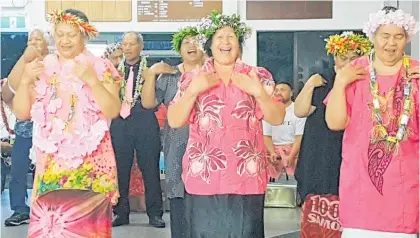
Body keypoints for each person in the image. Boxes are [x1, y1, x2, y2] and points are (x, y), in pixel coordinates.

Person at [167, 11, 285, 238]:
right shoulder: (193, 78)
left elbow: (277, 117)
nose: (225, 42)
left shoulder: (257, 75)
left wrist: (258, 92)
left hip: (247, 177)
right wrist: (193, 91)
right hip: (204, 177)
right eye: (219, 37)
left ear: (239, 44)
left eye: (231, 36)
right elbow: (174, 120)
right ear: (209, 45)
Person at [12, 9, 121, 237]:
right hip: (52, 165)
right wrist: (24, 81)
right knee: (53, 227)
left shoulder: (102, 68)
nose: (64, 40)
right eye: (59, 34)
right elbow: (22, 112)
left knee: (88, 230)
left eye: (71, 34)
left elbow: (113, 109)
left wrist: (92, 80)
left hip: (92, 164)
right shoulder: (43, 68)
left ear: (85, 34)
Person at [325, 6, 419, 237]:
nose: (391, 43)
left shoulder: (416, 72)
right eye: (384, 36)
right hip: (360, 189)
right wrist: (339, 83)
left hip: (404, 188)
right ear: (373, 37)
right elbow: (335, 123)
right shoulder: (355, 71)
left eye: (398, 36)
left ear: (406, 39)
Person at [294, 31, 371, 237]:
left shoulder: (368, 82)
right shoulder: (323, 81)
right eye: (342, 57)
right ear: (333, 56)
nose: (348, 63)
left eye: (353, 58)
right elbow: (300, 111)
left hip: (352, 153)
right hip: (320, 153)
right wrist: (310, 84)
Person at [142, 26, 204, 238]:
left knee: (206, 196)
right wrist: (151, 74)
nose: (191, 45)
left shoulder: (213, 74)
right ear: (179, 49)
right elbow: (149, 103)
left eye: (195, 41)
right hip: (177, 143)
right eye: (186, 42)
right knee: (178, 192)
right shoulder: (170, 75)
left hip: (208, 146)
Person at [110, 31, 165, 228]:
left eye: (132, 44)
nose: (128, 47)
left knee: (150, 169)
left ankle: (155, 213)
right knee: (120, 169)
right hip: (120, 123)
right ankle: (121, 213)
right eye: (125, 43)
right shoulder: (114, 69)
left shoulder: (151, 68)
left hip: (145, 122)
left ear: (141, 47)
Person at [1, 29, 50, 227]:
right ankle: (19, 209)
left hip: (49, 127)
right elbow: (6, 94)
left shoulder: (55, 63)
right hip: (24, 126)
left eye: (38, 39)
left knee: (47, 170)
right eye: (30, 39)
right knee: (19, 169)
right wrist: (24, 60)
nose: (34, 42)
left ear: (47, 44)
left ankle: (47, 209)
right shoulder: (22, 65)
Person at [264, 81, 306, 180]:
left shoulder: (298, 109)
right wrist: (272, 152)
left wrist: (291, 156)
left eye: (282, 90)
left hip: (293, 151)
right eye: (276, 90)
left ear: (291, 93)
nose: (278, 92)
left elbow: (299, 137)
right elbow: (266, 136)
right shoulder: (269, 110)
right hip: (272, 151)